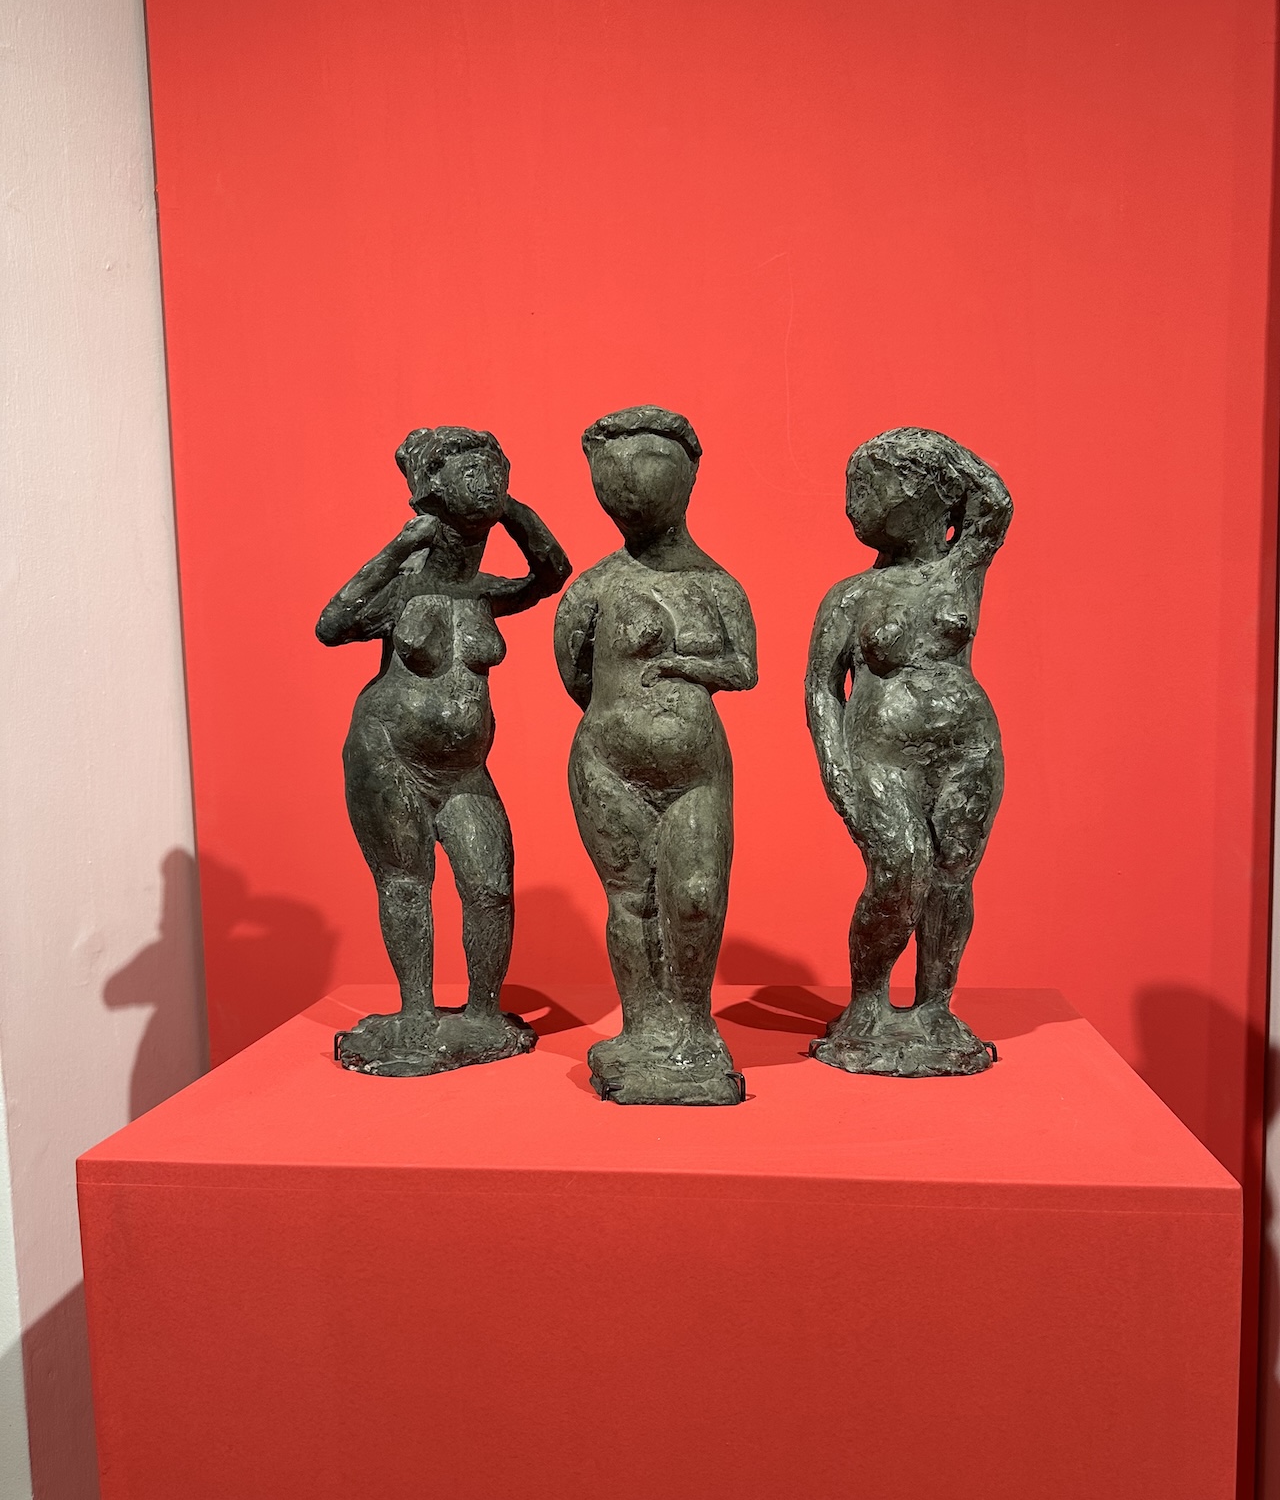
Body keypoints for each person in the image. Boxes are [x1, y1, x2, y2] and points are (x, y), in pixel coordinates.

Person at [317, 425, 571, 1076]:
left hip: (464, 771)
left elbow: (552, 572)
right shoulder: (402, 588)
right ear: (433, 490)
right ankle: (416, 1011)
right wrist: (400, 545)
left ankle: (483, 1012)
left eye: (495, 472)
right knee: (407, 882)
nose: (488, 483)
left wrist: (511, 509)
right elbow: (333, 623)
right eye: (472, 473)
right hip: (389, 756)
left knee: (490, 884)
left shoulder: (482, 592)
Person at [555, 406, 757, 1104]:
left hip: (694, 770)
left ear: (687, 476)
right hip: (607, 765)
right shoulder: (593, 586)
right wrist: (623, 720)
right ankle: (642, 1028)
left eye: (649, 467)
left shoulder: (716, 584)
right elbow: (575, 673)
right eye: (613, 475)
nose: (630, 488)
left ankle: (694, 1028)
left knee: (695, 896)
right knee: (631, 900)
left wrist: (679, 665)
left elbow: (745, 668)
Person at [805, 426, 1012, 1076]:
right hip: (881, 755)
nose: (854, 504)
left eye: (870, 486)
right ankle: (868, 1001)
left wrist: (932, 453)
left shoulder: (960, 570)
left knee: (952, 874)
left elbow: (995, 503)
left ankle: (934, 1006)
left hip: (968, 750)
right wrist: (837, 772)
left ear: (926, 494)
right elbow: (820, 689)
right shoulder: (851, 596)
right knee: (900, 867)